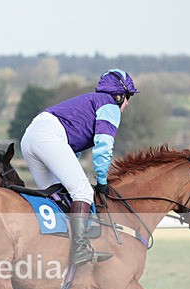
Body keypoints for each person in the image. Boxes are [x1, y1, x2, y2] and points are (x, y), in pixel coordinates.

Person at [20, 69, 139, 266]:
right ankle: (80, 250)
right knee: (83, 192)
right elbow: (103, 147)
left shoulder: (90, 101)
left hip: (30, 137)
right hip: (48, 136)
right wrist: (102, 181)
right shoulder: (110, 106)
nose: (127, 104)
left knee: (56, 196)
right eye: (128, 97)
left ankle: (49, 250)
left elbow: (69, 152)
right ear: (119, 96)